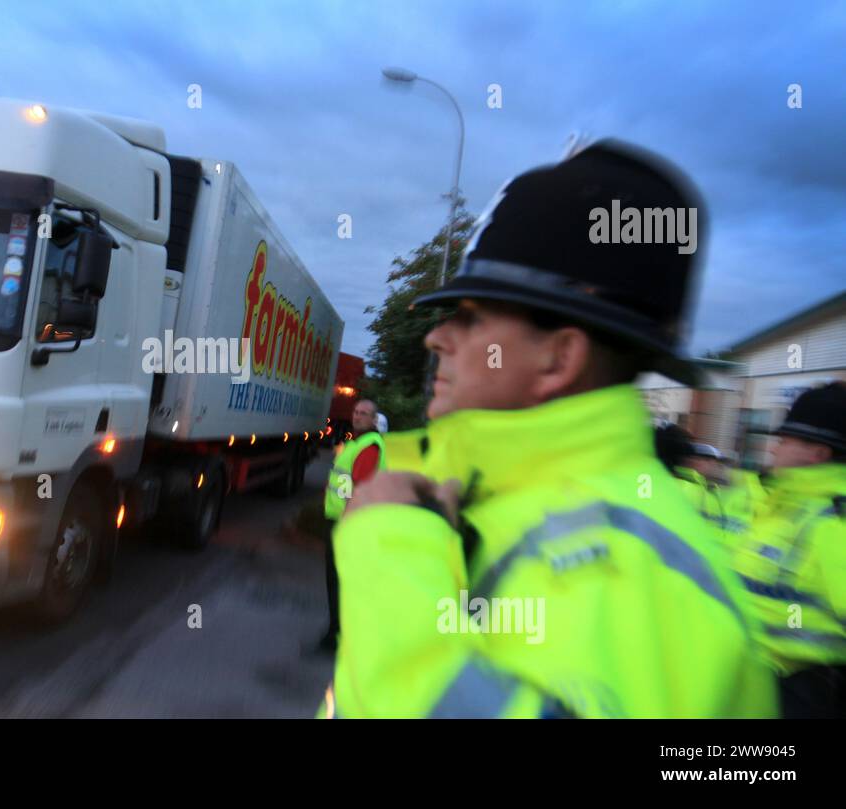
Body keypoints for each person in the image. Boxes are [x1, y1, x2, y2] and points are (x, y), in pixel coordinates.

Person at [322, 140, 775, 718]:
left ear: (559, 359)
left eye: (472, 317)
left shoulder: (637, 572)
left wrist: (389, 550)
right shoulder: (508, 501)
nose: (438, 339)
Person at [731, 382, 846, 717]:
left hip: (796, 695)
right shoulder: (786, 508)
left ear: (818, 453)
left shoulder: (833, 522)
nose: (773, 450)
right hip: (754, 687)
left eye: (784, 441)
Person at [319, 398, 385, 651]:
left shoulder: (369, 447)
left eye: (364, 413)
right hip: (340, 519)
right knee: (337, 580)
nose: (357, 416)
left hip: (347, 523)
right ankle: (338, 632)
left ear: (373, 420)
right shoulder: (356, 443)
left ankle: (336, 636)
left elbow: (361, 491)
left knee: (338, 580)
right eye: (356, 412)